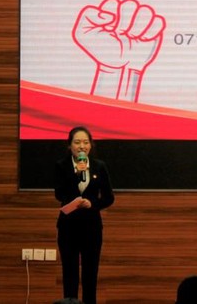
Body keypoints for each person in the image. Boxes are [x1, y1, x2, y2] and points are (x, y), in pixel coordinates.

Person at [54, 126, 115, 304]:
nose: (82, 146)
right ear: (70, 145)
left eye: (86, 142)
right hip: (68, 227)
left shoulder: (99, 166)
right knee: (70, 273)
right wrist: (77, 174)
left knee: (90, 274)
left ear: (90, 145)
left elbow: (109, 198)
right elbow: (59, 194)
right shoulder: (61, 166)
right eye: (77, 142)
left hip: (91, 227)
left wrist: (92, 204)